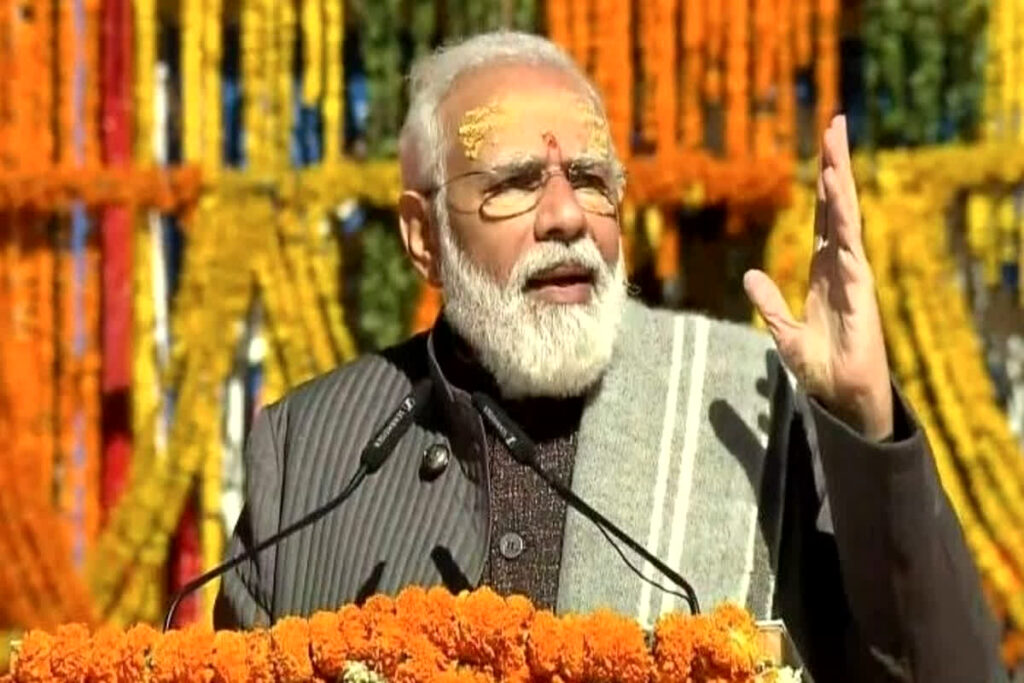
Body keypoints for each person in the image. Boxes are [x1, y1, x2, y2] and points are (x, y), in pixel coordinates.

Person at [214, 31, 1005, 681]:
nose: (566, 216)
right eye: (517, 183)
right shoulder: (312, 453)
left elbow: (949, 669)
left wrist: (865, 416)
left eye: (592, 179)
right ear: (424, 236)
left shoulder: (746, 405)